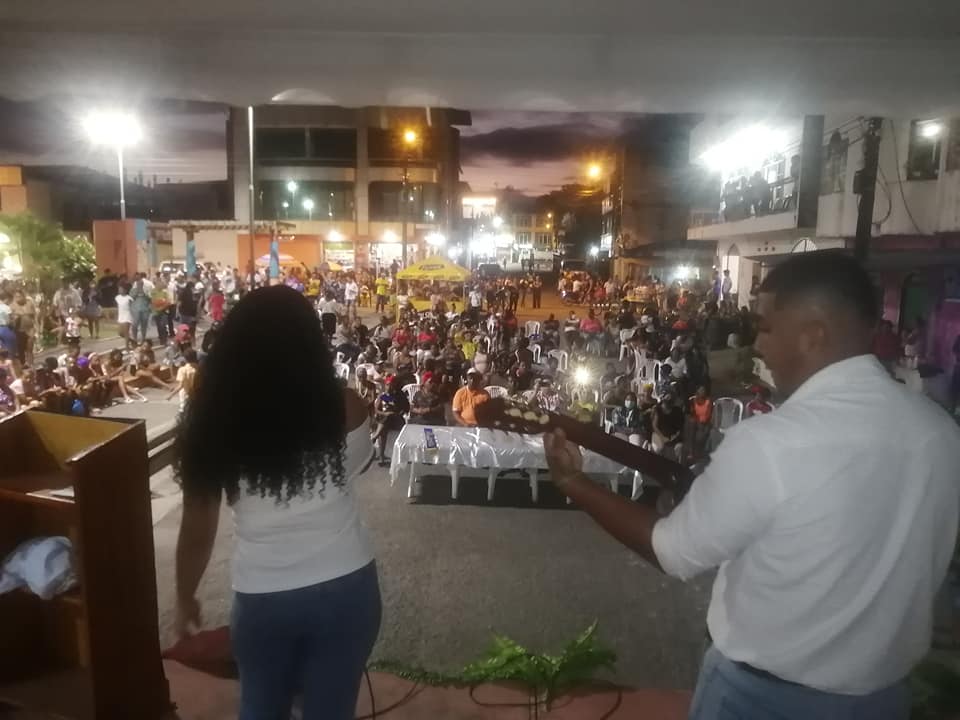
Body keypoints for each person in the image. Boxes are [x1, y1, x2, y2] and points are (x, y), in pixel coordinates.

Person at [541, 253, 960, 720]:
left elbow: (673, 552)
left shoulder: (771, 443)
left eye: (766, 328)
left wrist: (574, 482)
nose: (757, 345)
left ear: (814, 334)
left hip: (762, 700)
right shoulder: (940, 432)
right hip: (884, 701)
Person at [173, 286, 381, 720]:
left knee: (261, 707)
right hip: (347, 587)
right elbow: (356, 465)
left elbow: (197, 528)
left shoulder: (213, 421)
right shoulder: (346, 406)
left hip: (263, 596)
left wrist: (185, 595)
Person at [371, 377, 409, 466]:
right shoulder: (383, 396)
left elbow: (406, 408)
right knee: (385, 424)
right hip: (385, 419)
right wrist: (385, 413)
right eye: (387, 385)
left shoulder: (399, 395)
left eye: (391, 385)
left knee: (387, 419)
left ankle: (375, 436)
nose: (389, 387)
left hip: (397, 419)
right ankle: (381, 457)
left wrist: (397, 413)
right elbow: (376, 410)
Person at [166, 348, 199, 416]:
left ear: (185, 359)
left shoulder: (182, 370)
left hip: (186, 394)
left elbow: (180, 386)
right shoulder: (199, 368)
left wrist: (171, 395)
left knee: (184, 411)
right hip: (197, 394)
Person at [10, 289, 37, 366]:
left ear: (23, 296)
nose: (18, 298)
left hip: (30, 329)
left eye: (19, 296)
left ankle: (31, 365)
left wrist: (37, 328)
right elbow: (11, 321)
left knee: (30, 348)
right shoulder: (12, 306)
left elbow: (34, 316)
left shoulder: (29, 303)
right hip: (19, 330)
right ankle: (23, 365)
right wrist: (15, 318)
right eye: (16, 297)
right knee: (21, 349)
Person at [688, 386, 713, 460]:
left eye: (704, 390)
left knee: (701, 436)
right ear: (697, 391)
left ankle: (701, 454)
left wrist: (702, 422)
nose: (702, 392)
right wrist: (698, 421)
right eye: (701, 390)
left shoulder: (708, 401)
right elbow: (692, 414)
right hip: (697, 422)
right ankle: (691, 452)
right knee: (691, 425)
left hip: (706, 422)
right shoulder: (694, 401)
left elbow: (708, 415)